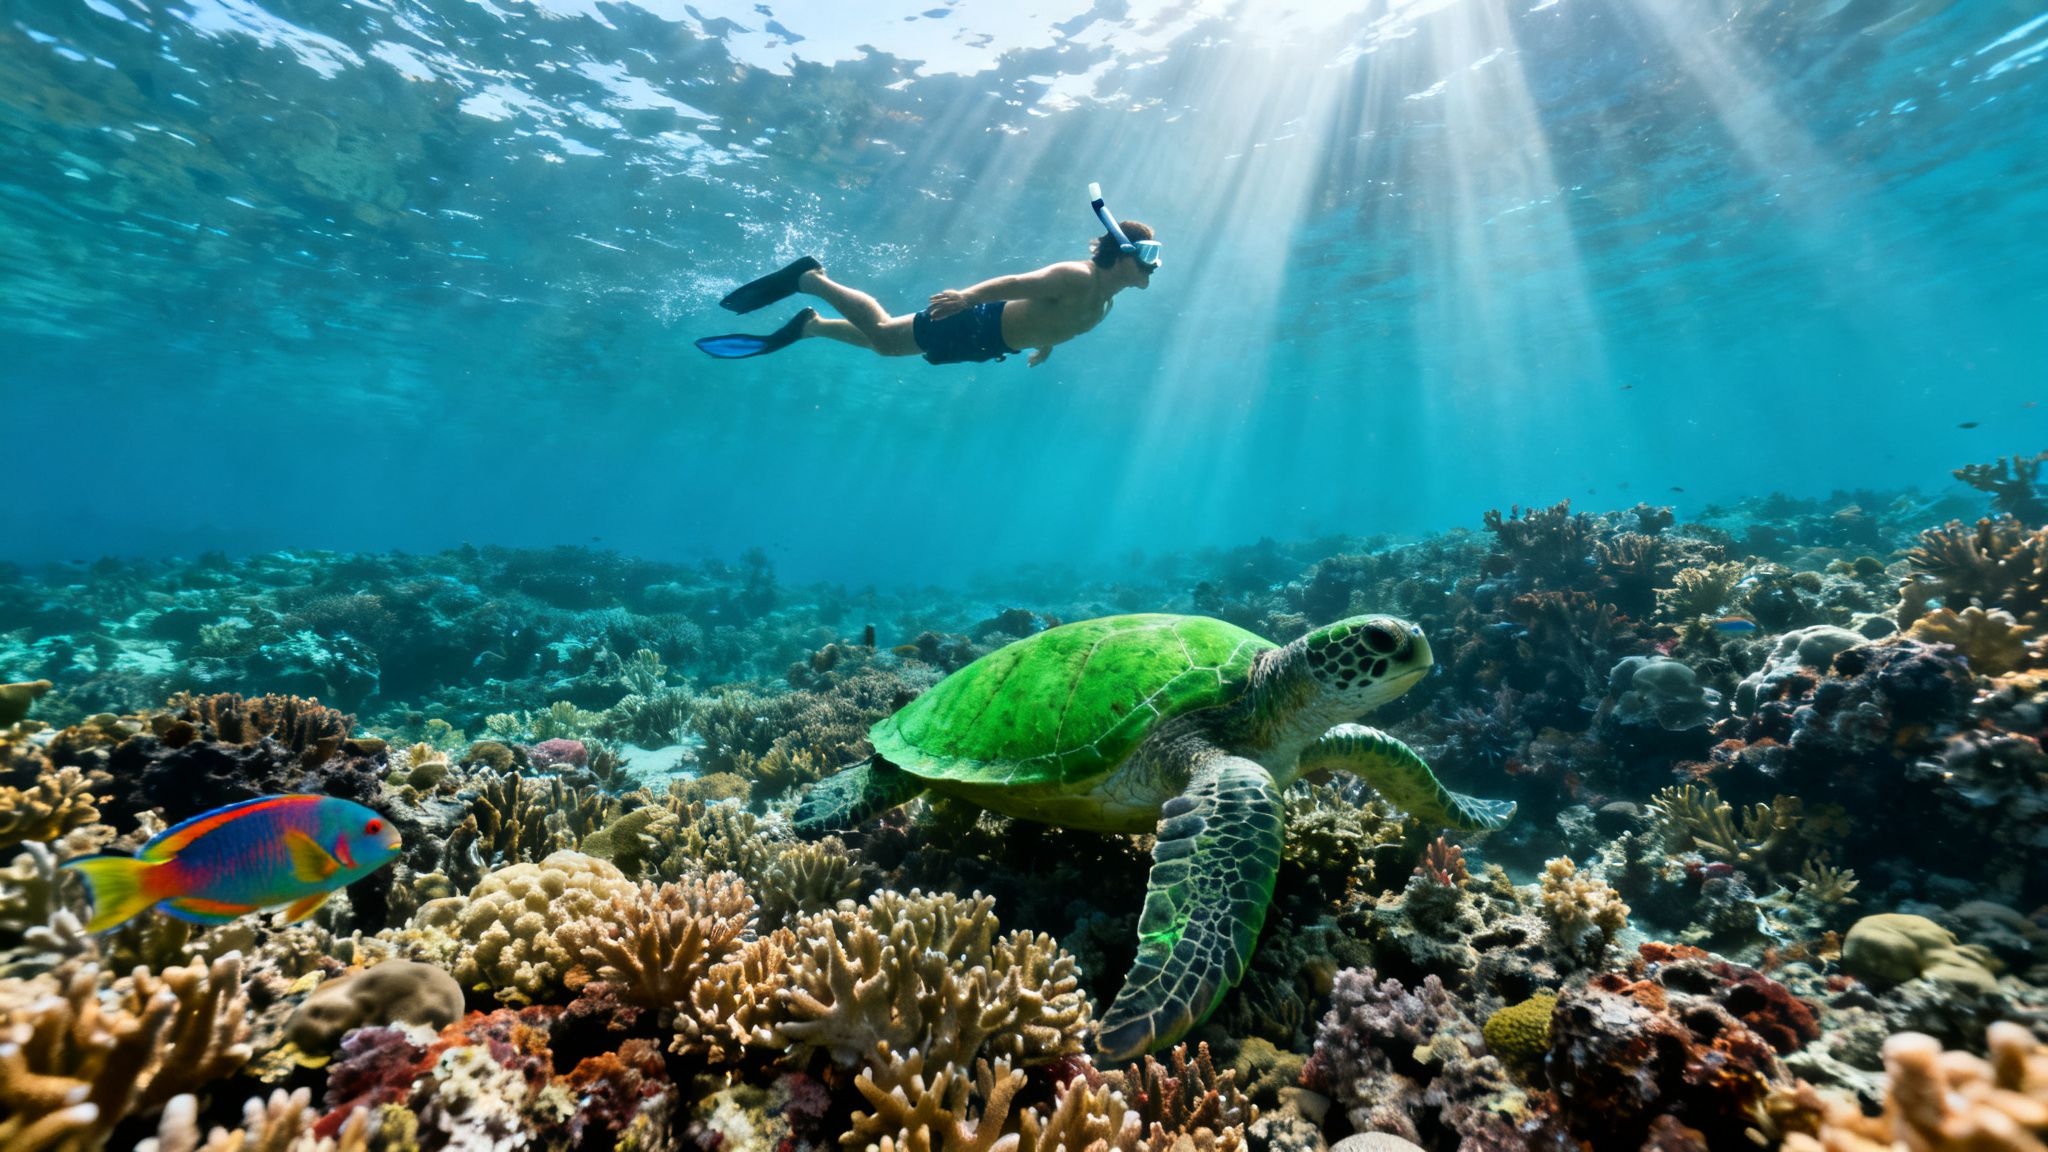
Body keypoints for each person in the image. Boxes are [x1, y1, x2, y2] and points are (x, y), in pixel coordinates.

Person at [697, 186, 1160, 367]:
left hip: (991, 343)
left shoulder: (1103, 301)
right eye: (1148, 255)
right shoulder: (1075, 277)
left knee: (896, 341)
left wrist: (1044, 345)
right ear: (1122, 255)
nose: (1154, 266)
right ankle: (811, 279)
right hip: (976, 322)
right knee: (884, 338)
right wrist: (967, 296)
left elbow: (1060, 321)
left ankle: (811, 326)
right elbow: (1016, 284)